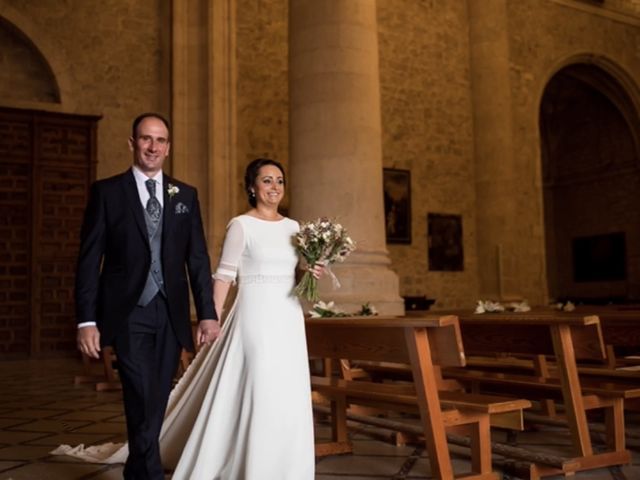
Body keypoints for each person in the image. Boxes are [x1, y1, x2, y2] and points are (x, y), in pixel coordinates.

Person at [74, 112, 219, 480]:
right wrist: (86, 320)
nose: (152, 147)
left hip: (170, 313)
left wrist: (207, 313)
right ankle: (150, 473)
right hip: (127, 311)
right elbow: (90, 259)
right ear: (132, 143)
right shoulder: (107, 192)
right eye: (145, 139)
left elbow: (197, 259)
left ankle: (137, 469)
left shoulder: (185, 195)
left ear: (168, 148)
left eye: (160, 140)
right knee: (138, 390)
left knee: (156, 393)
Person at [166, 157, 321, 479]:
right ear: (252, 187)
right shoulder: (241, 225)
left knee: (287, 389)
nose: (274, 187)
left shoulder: (294, 228)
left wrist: (313, 270)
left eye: (279, 181)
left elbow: (301, 279)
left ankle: (289, 467)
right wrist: (211, 318)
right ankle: (253, 465)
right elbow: (224, 276)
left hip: (289, 317)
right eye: (267, 181)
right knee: (260, 385)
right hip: (255, 315)